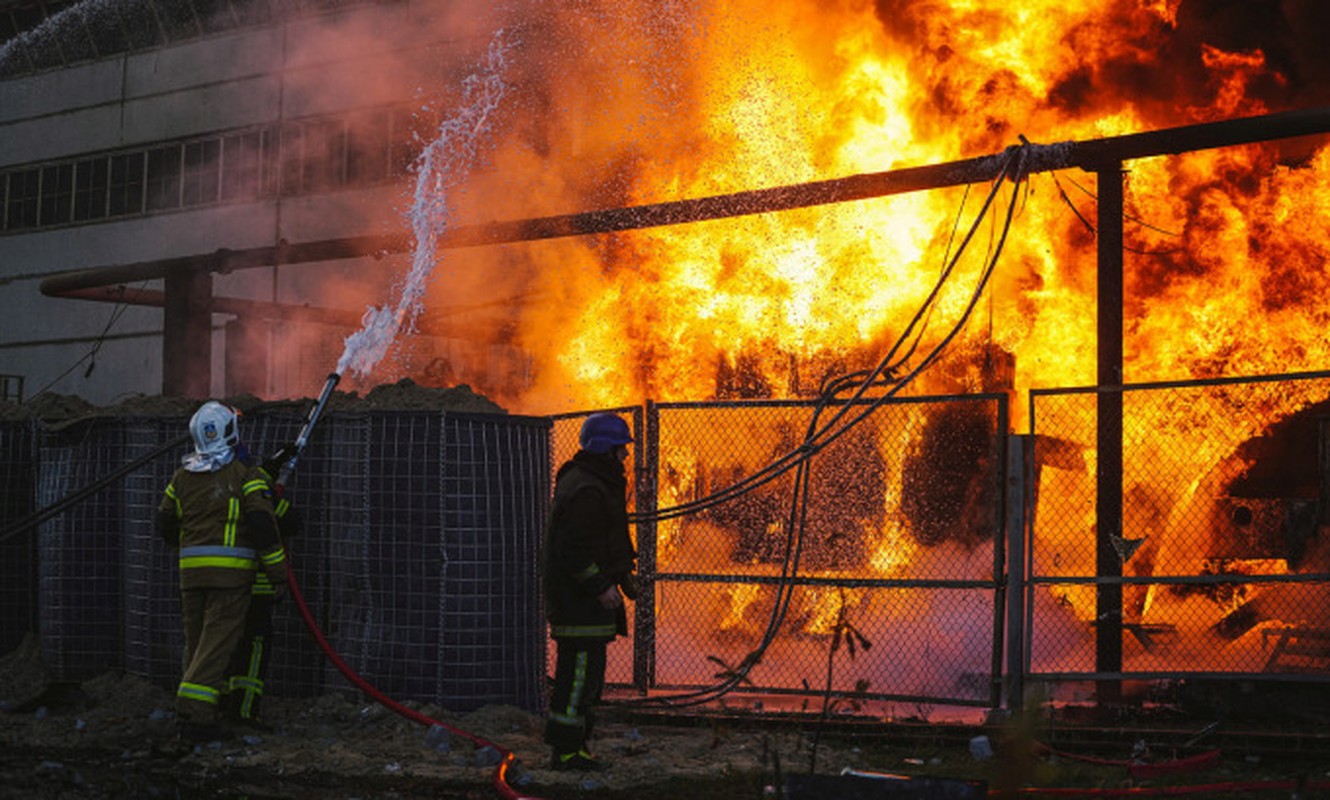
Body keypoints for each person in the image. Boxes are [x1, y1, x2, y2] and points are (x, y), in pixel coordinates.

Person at [156, 401, 288, 744]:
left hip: (191, 577)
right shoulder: (244, 475)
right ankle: (195, 714)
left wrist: (191, 547)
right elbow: (262, 526)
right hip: (230, 580)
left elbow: (164, 523)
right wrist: (277, 573)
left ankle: (197, 712)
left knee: (197, 645)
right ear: (230, 431)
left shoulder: (181, 476)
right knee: (215, 646)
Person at [543, 412, 638, 771]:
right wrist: (600, 587)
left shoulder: (592, 482)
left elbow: (604, 540)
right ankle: (566, 752)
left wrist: (623, 578)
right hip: (579, 605)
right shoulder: (588, 489)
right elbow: (574, 549)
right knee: (578, 679)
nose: (625, 457)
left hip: (583, 606)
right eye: (621, 449)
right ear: (606, 448)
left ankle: (576, 746)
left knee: (586, 680)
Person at [220, 443, 302, 730]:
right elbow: (288, 521)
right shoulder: (255, 494)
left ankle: (220, 707)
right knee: (253, 648)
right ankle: (244, 712)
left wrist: (271, 470)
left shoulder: (213, 490)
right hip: (255, 588)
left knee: (222, 646)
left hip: (221, 588)